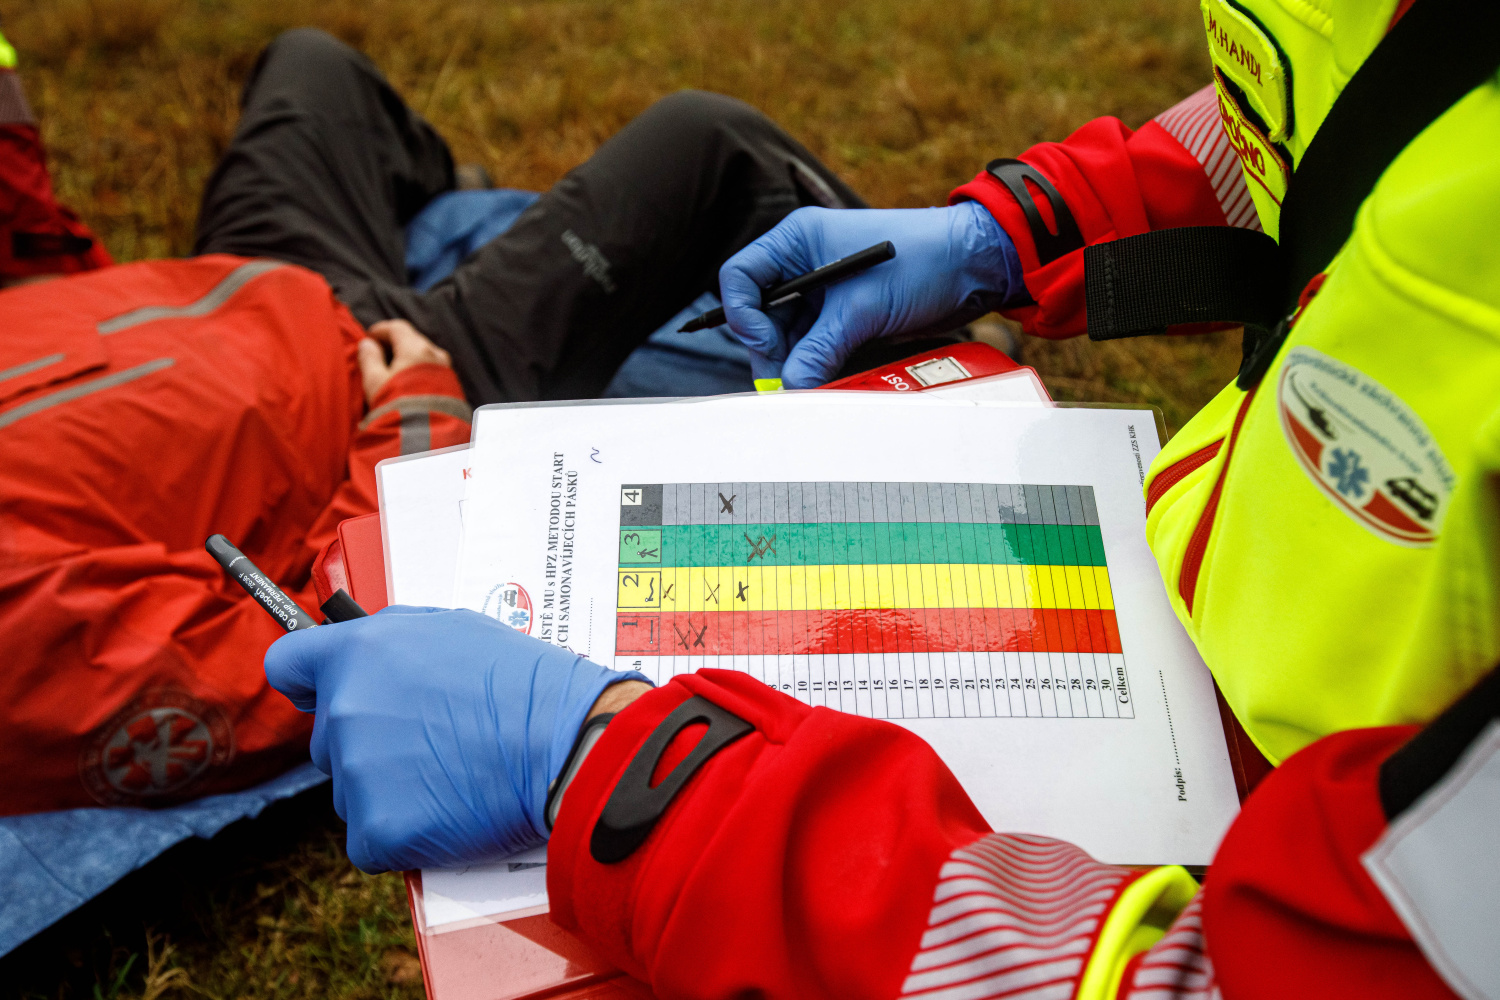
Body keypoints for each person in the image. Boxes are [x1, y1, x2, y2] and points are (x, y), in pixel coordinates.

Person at [267, 1, 1499, 997]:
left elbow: (1244, 978)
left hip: (1280, 809)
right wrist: (1012, 229)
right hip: (1232, 655)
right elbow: (1331, 120)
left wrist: (629, 775)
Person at [0, 26, 876, 814]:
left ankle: (423, 218)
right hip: (397, 379)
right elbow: (291, 662)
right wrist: (415, 412)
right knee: (708, 146)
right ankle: (924, 385)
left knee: (312, 62)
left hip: (251, 283)